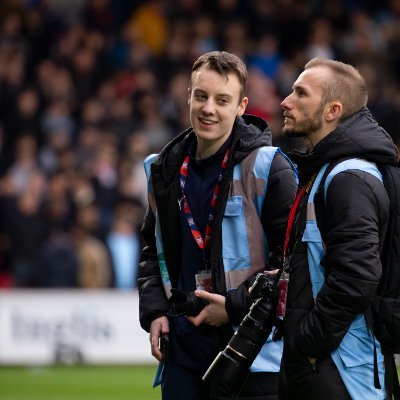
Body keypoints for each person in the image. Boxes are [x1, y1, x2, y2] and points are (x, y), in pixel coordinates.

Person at [138, 51, 297, 400]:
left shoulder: (270, 167)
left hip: (252, 353)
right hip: (182, 352)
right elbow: (153, 249)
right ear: (188, 97)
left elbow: (290, 263)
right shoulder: (163, 169)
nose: (208, 108)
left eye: (222, 100)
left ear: (241, 106)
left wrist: (235, 306)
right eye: (201, 96)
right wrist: (154, 312)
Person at [279, 57, 399, 399]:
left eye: (300, 93)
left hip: (341, 370)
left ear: (332, 111)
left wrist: (308, 343)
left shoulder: (349, 178)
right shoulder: (328, 170)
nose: (285, 102)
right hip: (329, 366)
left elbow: (358, 276)